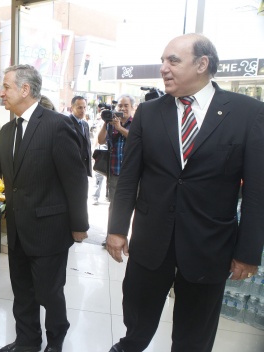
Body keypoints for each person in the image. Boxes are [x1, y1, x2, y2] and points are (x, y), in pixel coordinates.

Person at [107, 33, 264, 352]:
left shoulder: (248, 113)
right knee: (136, 319)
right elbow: (129, 179)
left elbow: (257, 190)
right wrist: (117, 229)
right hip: (151, 242)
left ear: (202, 64)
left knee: (194, 337)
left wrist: (248, 252)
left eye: (173, 61)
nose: (163, 68)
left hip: (209, 246)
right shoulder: (149, 113)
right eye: (163, 60)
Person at [0, 64, 89, 352]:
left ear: (25, 89)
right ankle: (27, 342)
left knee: (49, 293)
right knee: (22, 291)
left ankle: (57, 340)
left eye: (6, 87)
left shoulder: (57, 125)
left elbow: (75, 181)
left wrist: (79, 226)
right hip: (18, 229)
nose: (1, 93)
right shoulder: (7, 130)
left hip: (50, 229)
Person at [97, 94, 133, 229]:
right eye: (120, 105)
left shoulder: (136, 123)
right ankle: (110, 236)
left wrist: (119, 128)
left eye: (126, 105)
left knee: (130, 206)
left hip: (132, 174)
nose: (122, 108)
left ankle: (124, 235)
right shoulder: (111, 124)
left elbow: (136, 139)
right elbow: (100, 141)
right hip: (115, 172)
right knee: (114, 206)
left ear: (132, 107)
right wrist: (106, 123)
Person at [69, 96, 93, 178]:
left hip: (85, 168)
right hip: (72, 168)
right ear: (72, 108)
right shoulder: (67, 123)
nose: (83, 110)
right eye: (79, 108)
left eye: (84, 107)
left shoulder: (85, 124)